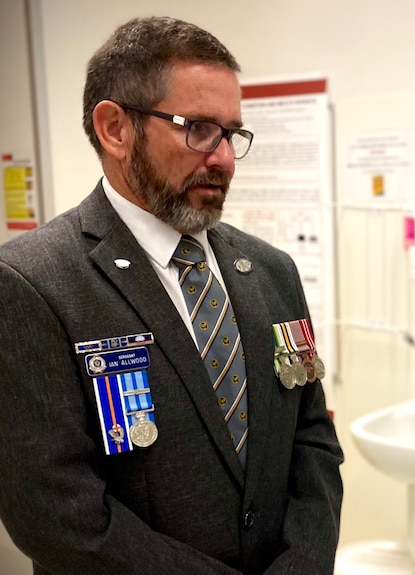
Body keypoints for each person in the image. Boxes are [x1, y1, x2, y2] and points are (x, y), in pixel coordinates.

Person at [0, 16, 343, 575]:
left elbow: (312, 439)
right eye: (199, 128)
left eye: (231, 133)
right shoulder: (32, 284)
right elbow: (56, 516)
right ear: (115, 128)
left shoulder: (272, 271)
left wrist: (302, 564)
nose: (224, 157)